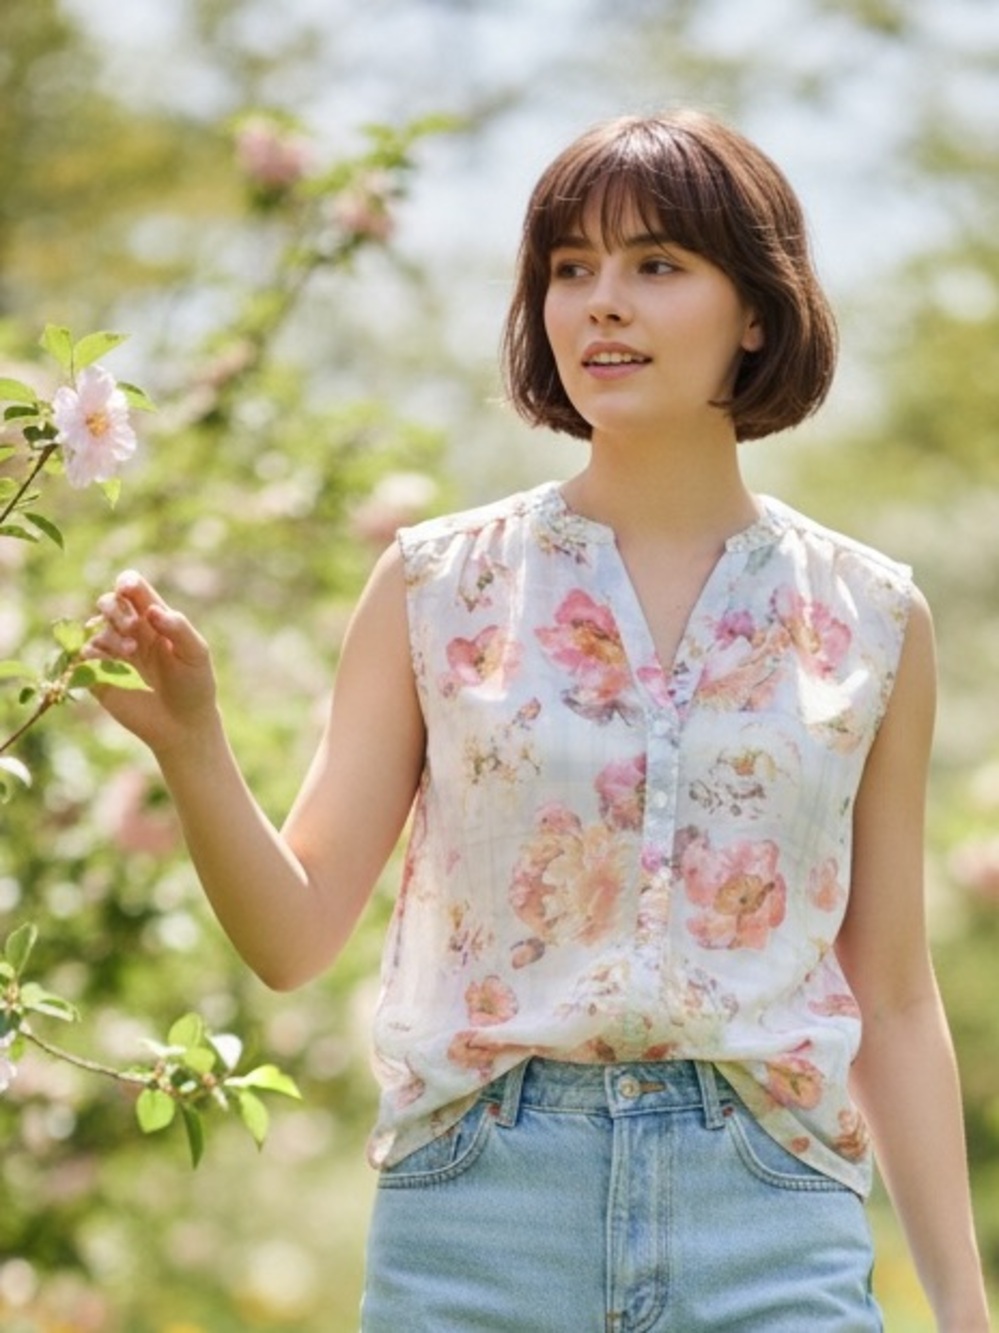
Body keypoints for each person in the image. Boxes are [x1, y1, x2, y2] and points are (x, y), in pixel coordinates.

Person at [87, 109, 991, 1331]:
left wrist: (964, 1309)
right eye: (572, 269)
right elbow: (295, 934)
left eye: (656, 265)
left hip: (772, 1220)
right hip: (477, 1219)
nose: (601, 303)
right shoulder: (435, 582)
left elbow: (889, 994)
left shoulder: (875, 616)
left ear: (760, 311)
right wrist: (193, 744)